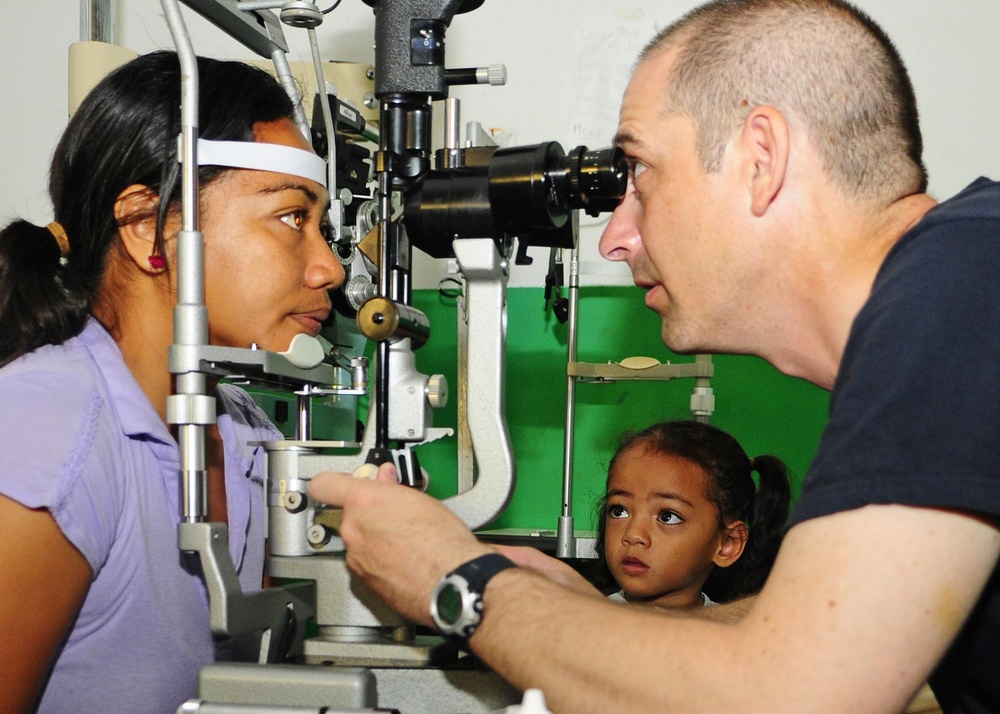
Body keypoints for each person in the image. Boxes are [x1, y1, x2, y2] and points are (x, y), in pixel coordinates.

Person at [308, 0, 1000, 711]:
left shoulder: (962, 285)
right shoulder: (959, 287)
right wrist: (596, 626)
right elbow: (844, 638)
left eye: (639, 172)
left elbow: (789, 692)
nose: (615, 239)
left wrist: (456, 579)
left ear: (760, 158)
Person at [0, 51, 344, 712]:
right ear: (147, 229)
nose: (327, 267)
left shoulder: (243, 426)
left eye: (321, 226)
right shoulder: (47, 433)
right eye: (292, 218)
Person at [594, 420, 791, 610]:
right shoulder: (581, 624)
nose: (633, 534)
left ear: (727, 544)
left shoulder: (735, 636)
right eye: (619, 511)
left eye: (667, 516)